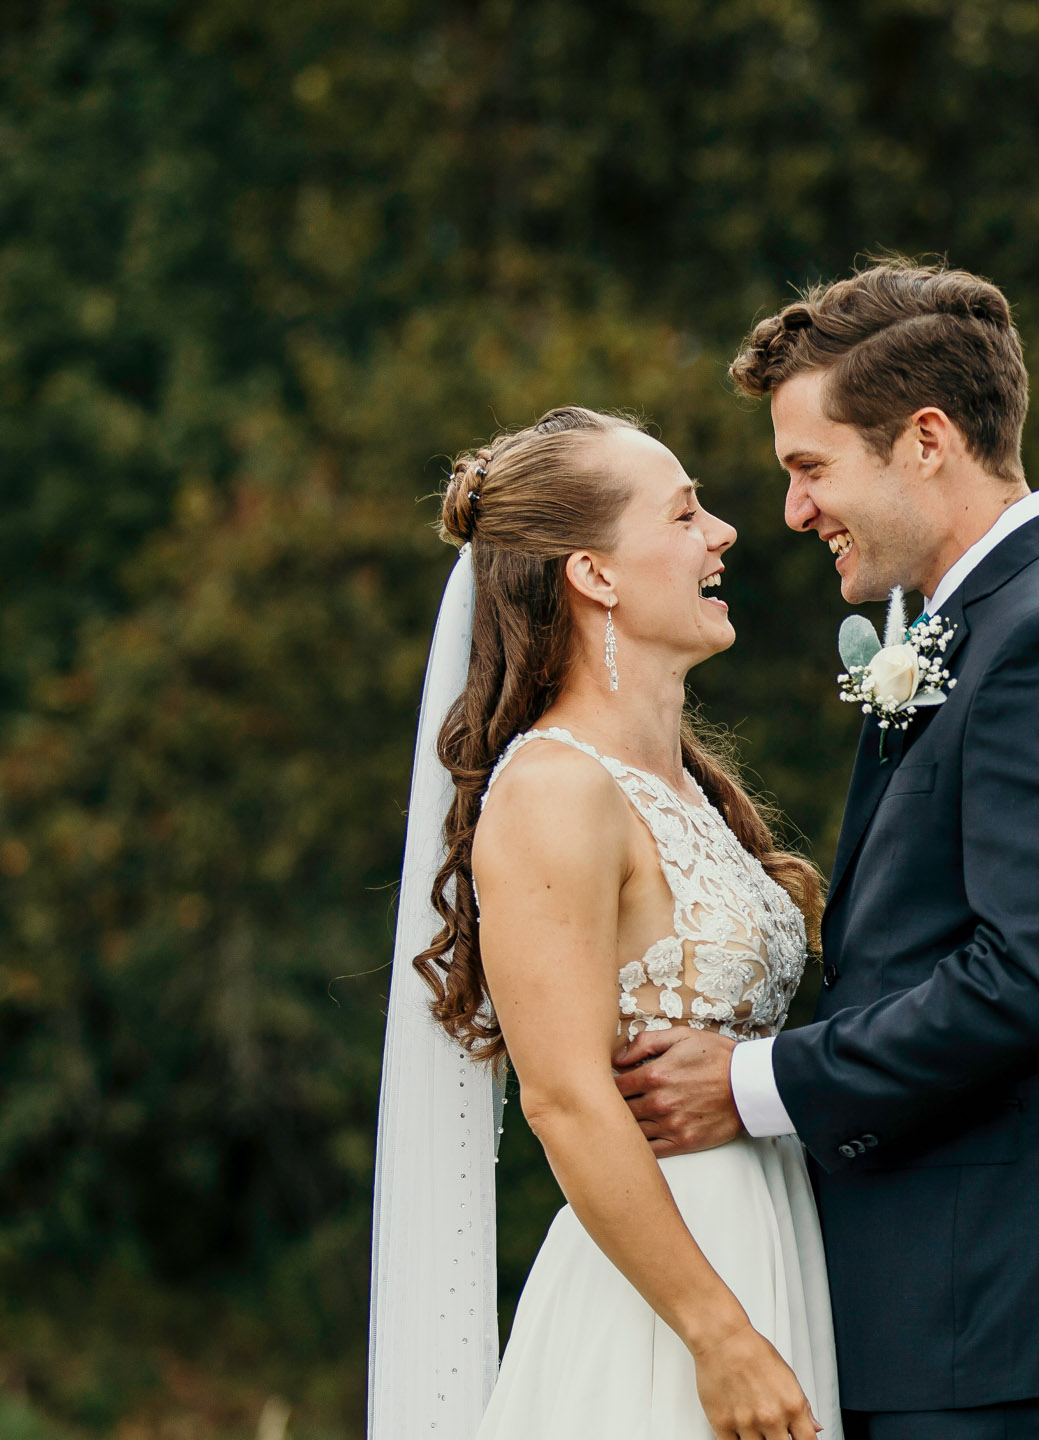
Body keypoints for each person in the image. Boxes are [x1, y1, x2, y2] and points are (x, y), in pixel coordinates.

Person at [610, 260, 1039, 1439]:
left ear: (926, 440)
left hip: (983, 1316)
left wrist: (748, 1083)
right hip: (924, 1313)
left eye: (809, 468)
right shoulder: (979, 628)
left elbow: (1030, 983)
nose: (792, 512)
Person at [379, 405, 839, 1440]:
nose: (722, 533)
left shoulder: (682, 791)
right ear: (595, 575)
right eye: (684, 515)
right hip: (669, 1303)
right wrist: (718, 1337)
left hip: (768, 1240)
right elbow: (568, 1101)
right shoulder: (554, 789)